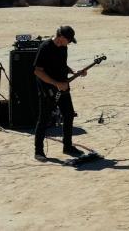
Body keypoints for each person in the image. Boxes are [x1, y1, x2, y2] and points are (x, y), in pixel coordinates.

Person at [33, 25, 86, 160]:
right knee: (44, 119)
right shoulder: (45, 47)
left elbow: (62, 65)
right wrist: (56, 84)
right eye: (69, 40)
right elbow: (38, 71)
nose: (69, 43)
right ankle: (38, 151)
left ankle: (67, 146)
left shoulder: (63, 47)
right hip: (47, 90)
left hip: (63, 88)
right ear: (61, 38)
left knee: (68, 114)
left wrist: (74, 72)